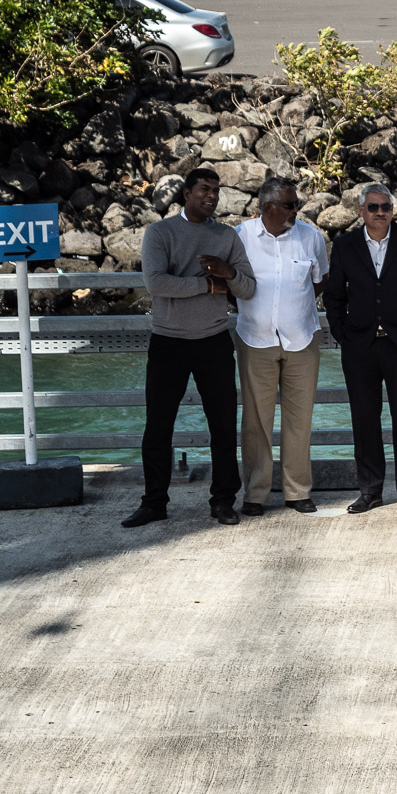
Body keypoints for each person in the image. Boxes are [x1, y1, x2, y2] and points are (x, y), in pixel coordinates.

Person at [122, 168, 256, 528]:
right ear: (186, 193)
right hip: (168, 342)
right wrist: (209, 285)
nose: (212, 196)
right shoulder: (160, 232)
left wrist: (227, 273)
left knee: (223, 426)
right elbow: (156, 283)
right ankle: (154, 503)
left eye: (216, 190)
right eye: (204, 189)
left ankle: (223, 501)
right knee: (158, 427)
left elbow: (247, 288)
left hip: (214, 342)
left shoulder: (226, 236)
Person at [324, 184, 397, 516]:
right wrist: (342, 334)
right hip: (359, 346)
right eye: (373, 207)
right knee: (364, 420)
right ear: (361, 211)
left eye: (385, 207)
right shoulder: (345, 245)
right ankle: (370, 490)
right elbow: (334, 296)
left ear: (393, 210)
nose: (380, 213)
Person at [234, 177, 328, 516]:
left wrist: (294, 308)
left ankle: (297, 491)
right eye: (289, 205)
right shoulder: (241, 236)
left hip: (302, 338)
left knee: (300, 419)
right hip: (254, 338)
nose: (296, 210)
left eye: (296, 204)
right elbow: (229, 283)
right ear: (267, 207)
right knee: (255, 422)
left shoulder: (311, 237)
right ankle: (255, 493)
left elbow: (320, 280)